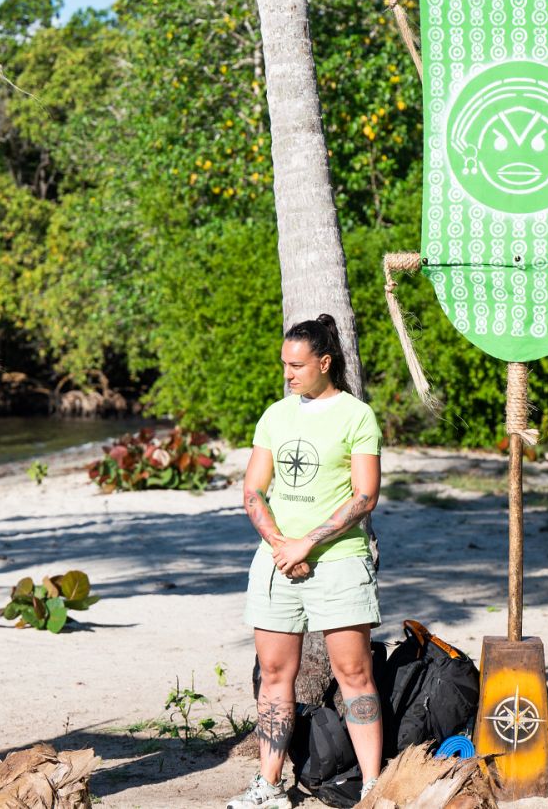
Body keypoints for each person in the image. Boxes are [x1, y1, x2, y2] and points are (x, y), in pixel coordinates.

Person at [229, 314, 383, 809]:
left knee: (353, 673)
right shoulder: (276, 415)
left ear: (325, 362)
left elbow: (364, 496)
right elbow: (253, 490)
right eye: (284, 365)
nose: (288, 375)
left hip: (337, 563)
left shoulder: (357, 416)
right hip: (276, 562)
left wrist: (306, 545)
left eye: (297, 366)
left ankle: (374, 788)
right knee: (274, 674)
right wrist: (280, 544)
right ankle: (269, 786)